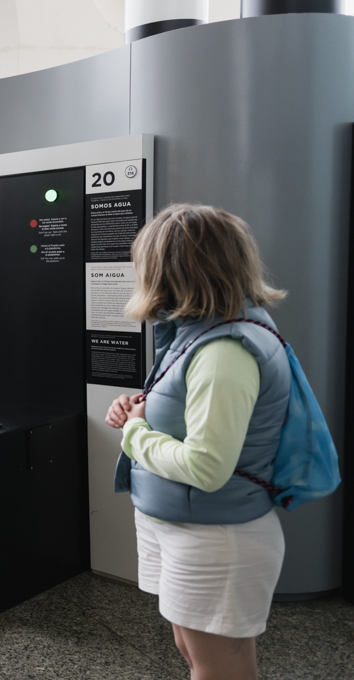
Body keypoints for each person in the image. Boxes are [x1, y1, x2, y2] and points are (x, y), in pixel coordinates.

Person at [106, 204, 290, 680]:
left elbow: (207, 466)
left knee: (217, 667)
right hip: (189, 526)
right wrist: (142, 409)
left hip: (214, 536)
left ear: (169, 269)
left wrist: (136, 433)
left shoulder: (223, 350)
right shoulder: (200, 333)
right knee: (196, 652)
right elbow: (190, 413)